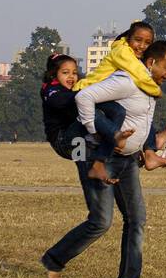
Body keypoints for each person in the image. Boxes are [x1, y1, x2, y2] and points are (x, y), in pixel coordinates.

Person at [42, 40, 166, 278]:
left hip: (127, 159)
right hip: (97, 154)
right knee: (101, 221)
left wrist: (149, 146)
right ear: (151, 63)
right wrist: (97, 133)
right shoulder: (125, 81)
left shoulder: (149, 86)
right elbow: (85, 97)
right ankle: (54, 259)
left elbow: (140, 119)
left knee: (136, 219)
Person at [40, 53, 136, 184]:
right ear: (54, 75)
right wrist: (84, 95)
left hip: (82, 136)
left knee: (118, 110)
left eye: (74, 73)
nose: (71, 76)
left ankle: (100, 162)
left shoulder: (79, 87)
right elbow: (58, 101)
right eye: (65, 72)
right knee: (89, 110)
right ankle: (114, 136)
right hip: (63, 140)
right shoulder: (51, 89)